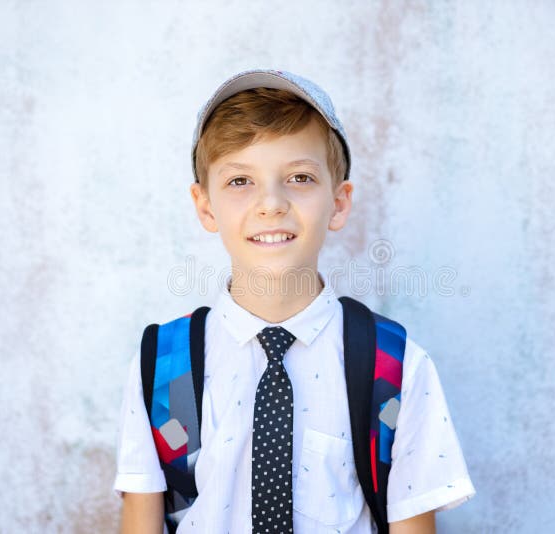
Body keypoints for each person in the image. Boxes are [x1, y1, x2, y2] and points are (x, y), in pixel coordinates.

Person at [113, 69, 475, 533]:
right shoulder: (163, 364)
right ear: (205, 206)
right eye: (240, 181)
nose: (271, 203)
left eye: (300, 177)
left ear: (339, 203)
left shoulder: (396, 367)